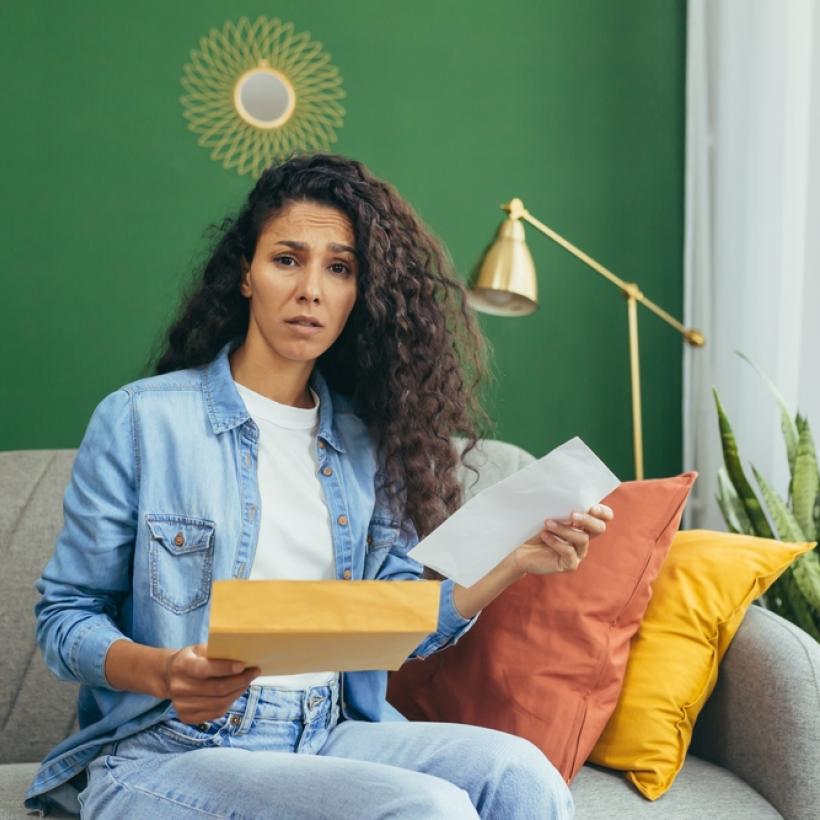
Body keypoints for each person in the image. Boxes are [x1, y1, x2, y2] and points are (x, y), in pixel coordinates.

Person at [25, 153, 613, 819]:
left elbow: (399, 625)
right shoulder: (142, 421)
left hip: (327, 731)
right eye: (287, 259)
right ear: (245, 274)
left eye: (339, 268)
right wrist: (165, 672)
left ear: (358, 293)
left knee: (523, 774)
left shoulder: (369, 441)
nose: (311, 289)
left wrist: (515, 562)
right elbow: (64, 619)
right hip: (171, 749)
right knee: (430, 809)